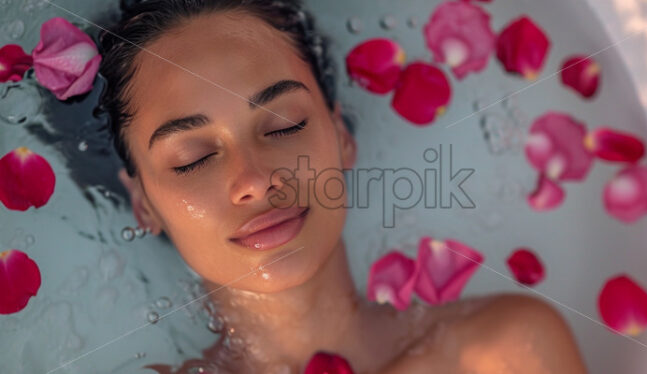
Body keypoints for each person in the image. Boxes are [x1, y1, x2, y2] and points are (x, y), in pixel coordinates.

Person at [100, 0, 588, 372]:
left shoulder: (504, 352)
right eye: (195, 158)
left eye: (283, 126)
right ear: (143, 203)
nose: (254, 179)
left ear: (340, 137)